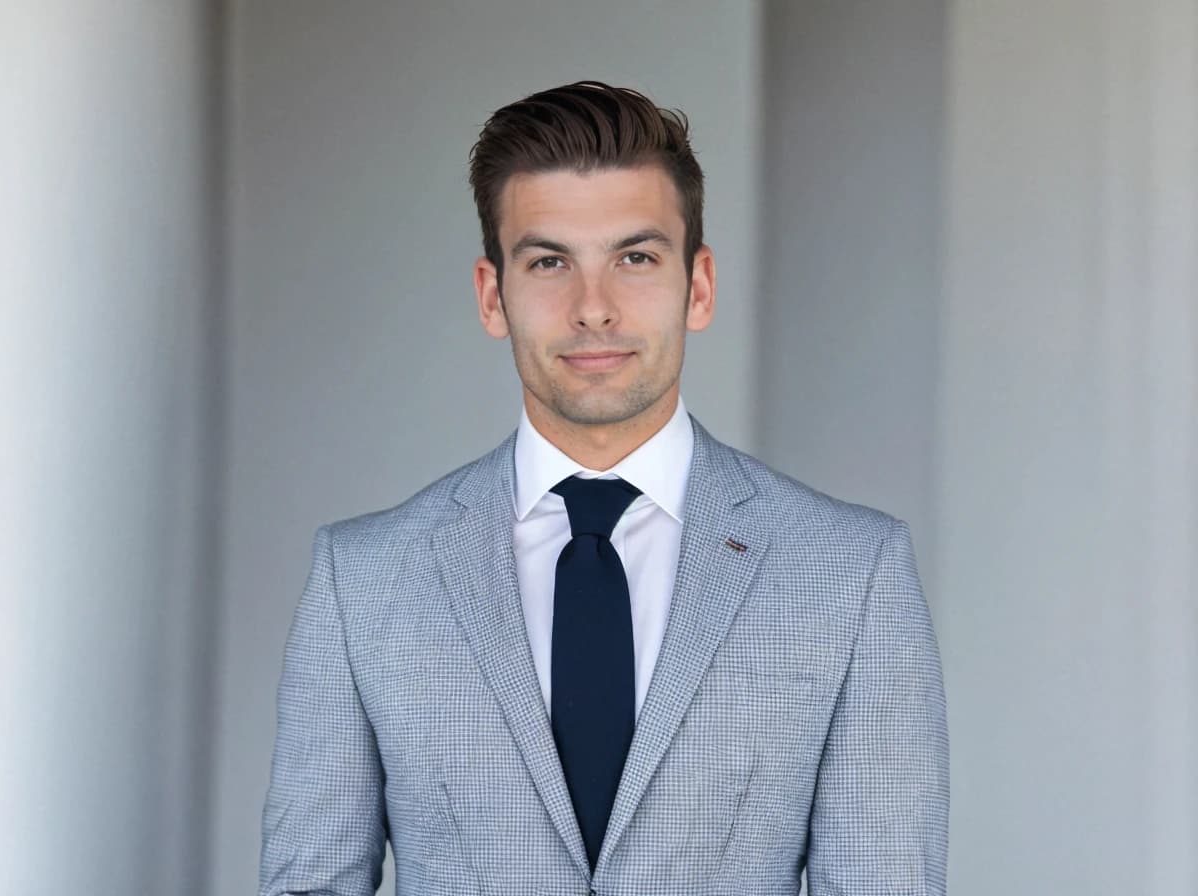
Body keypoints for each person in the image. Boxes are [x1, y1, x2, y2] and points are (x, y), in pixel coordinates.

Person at [259, 81, 948, 896]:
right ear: (492, 295)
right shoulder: (363, 579)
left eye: (635, 258)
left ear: (698, 286)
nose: (594, 309)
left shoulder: (852, 572)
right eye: (550, 262)